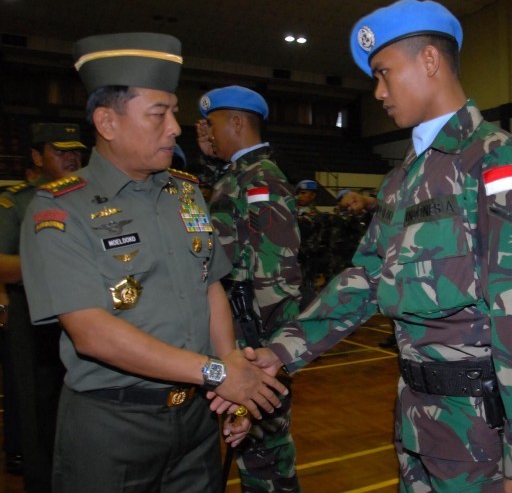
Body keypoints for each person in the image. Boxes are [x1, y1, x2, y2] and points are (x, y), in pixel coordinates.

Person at [234, 0, 512, 492]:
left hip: (483, 431)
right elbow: (367, 276)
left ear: (430, 61)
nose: (380, 91)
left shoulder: (496, 160)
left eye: (385, 73)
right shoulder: (401, 179)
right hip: (417, 417)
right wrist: (283, 350)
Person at [19, 32, 285, 493]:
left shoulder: (183, 193)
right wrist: (221, 374)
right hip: (112, 425)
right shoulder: (59, 209)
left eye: (173, 113)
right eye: (158, 115)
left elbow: (210, 288)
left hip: (196, 420)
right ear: (107, 121)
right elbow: (91, 331)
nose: (175, 128)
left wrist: (229, 387)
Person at [197, 85, 302, 492]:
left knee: (265, 452)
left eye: (213, 124)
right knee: (252, 449)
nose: (208, 134)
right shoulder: (238, 176)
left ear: (237, 122)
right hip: (243, 332)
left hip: (256, 337)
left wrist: (267, 347)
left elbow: (278, 271)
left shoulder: (263, 179)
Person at [0, 122, 86, 492]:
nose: (71, 157)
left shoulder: (90, 198)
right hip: (35, 318)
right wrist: (51, 263)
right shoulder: (17, 202)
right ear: (37, 156)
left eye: (75, 151)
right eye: (59, 151)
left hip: (85, 313)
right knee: (37, 403)